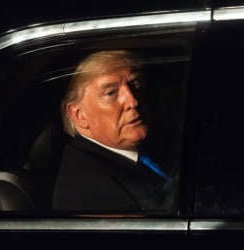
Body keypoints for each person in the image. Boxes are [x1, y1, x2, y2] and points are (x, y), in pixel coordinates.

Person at [52, 50, 174, 213]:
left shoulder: (149, 149)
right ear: (79, 115)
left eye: (135, 84)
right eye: (111, 93)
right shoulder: (91, 190)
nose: (133, 101)